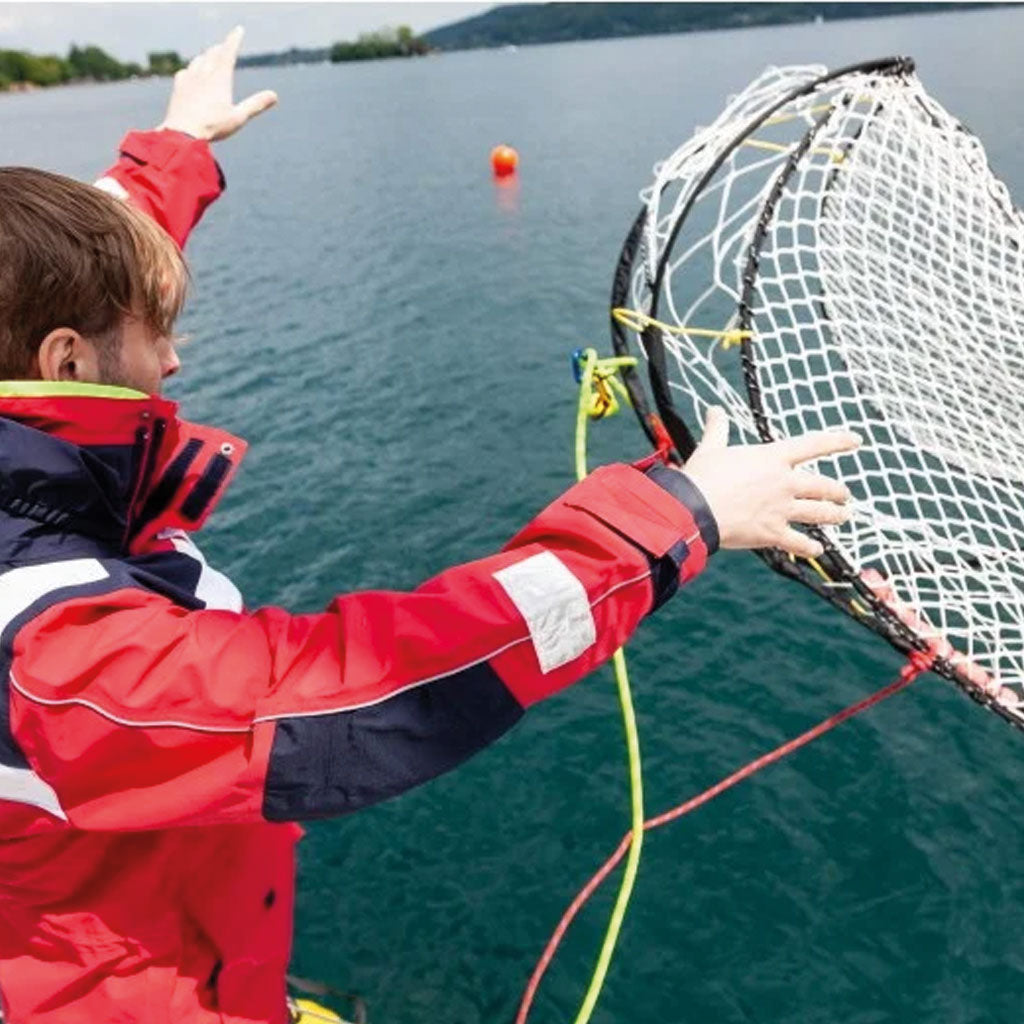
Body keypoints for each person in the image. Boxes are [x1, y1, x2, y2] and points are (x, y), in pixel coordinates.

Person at [0, 28, 857, 1024]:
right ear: (66, 364)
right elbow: (366, 692)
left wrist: (175, 148)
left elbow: (72, 261)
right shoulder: (53, 655)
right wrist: (677, 518)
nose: (176, 364)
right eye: (158, 336)